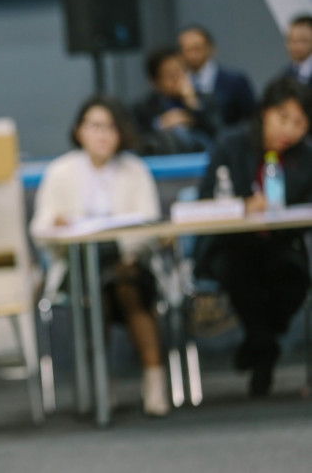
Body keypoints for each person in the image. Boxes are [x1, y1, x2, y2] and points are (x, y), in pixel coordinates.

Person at [31, 95, 169, 416]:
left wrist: (127, 249)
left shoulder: (134, 169)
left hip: (129, 262)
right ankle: (101, 383)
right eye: (94, 126)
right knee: (95, 292)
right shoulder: (61, 171)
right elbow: (39, 227)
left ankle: (154, 381)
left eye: (110, 127)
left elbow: (149, 224)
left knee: (128, 286)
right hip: (78, 266)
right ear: (79, 130)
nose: (102, 135)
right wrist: (56, 223)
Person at [195, 77, 312, 397]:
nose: (289, 130)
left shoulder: (306, 156)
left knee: (293, 281)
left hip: (281, 243)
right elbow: (205, 200)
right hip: (233, 245)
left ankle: (258, 343)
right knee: (239, 272)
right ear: (264, 111)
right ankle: (265, 348)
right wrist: (241, 206)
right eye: (283, 118)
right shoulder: (230, 144)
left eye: (300, 123)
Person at [133, 46, 222, 155]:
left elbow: (217, 134)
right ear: (154, 81)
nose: (177, 78)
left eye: (180, 71)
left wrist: (193, 105)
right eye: (170, 74)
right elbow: (136, 140)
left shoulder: (205, 99)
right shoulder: (143, 107)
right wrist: (159, 124)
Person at [178, 24, 256, 127]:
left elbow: (251, 118)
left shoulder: (235, 81)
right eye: (187, 50)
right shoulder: (176, 84)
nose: (192, 55)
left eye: (197, 48)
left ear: (210, 49)